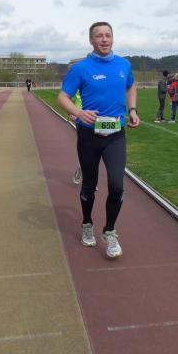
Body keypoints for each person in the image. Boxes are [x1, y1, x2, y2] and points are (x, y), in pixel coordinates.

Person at [57, 21, 139, 259]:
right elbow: (63, 97)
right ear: (91, 40)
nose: (104, 39)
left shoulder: (124, 64)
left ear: (112, 38)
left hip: (116, 135)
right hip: (89, 136)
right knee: (89, 184)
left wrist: (132, 110)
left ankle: (110, 231)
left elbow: (131, 86)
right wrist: (79, 112)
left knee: (117, 185)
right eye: (99, 36)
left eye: (108, 35)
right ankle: (86, 223)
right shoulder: (81, 68)